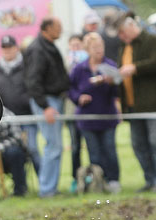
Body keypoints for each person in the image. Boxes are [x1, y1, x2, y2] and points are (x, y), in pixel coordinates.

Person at [117, 15, 156, 191]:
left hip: (153, 104)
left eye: (123, 32)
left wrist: (135, 68)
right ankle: (150, 178)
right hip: (133, 106)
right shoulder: (124, 48)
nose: (121, 36)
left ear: (132, 26)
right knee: (138, 144)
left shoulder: (152, 40)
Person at [69, 32, 121, 192]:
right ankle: (98, 182)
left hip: (107, 116)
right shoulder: (79, 68)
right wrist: (79, 97)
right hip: (87, 119)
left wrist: (112, 83)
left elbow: (118, 91)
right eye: (95, 47)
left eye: (100, 47)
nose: (99, 50)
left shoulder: (110, 66)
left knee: (110, 150)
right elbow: (70, 89)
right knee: (95, 153)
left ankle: (113, 181)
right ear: (87, 49)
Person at [25, 16, 70, 197]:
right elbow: (33, 81)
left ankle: (51, 188)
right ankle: (47, 189)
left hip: (53, 100)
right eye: (57, 26)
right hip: (47, 101)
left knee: (56, 146)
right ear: (47, 28)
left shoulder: (47, 46)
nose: (61, 29)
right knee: (53, 145)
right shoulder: (38, 49)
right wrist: (45, 106)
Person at [0, 35, 40, 173]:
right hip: (6, 122)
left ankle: (44, 184)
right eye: (4, 48)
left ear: (16, 48)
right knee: (12, 151)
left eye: (10, 47)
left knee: (33, 149)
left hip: (27, 118)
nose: (7, 51)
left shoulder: (26, 67)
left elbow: (34, 88)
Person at [0, 109, 30, 197]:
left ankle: (20, 191)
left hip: (7, 156)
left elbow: (17, 138)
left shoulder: (7, 114)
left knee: (15, 152)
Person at [66, 34, 89, 192]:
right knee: (75, 146)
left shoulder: (88, 63)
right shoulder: (66, 64)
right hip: (71, 111)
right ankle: (76, 178)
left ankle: (94, 176)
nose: (75, 48)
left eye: (78, 45)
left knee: (91, 145)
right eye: (72, 45)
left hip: (87, 111)